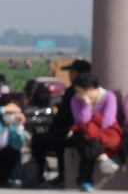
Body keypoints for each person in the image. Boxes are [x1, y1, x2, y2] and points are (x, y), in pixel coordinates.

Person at [26, 57, 88, 187]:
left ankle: (39, 177)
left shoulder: (74, 91)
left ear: (77, 73)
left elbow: (65, 117)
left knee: (39, 140)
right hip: (74, 133)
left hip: (72, 135)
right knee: (59, 136)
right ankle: (61, 176)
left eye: (72, 72)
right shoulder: (85, 90)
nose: (70, 75)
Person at [65, 71, 121, 190]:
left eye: (80, 91)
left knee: (89, 141)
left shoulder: (109, 97)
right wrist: (86, 104)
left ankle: (85, 181)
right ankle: (103, 159)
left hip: (104, 133)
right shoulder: (75, 100)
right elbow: (81, 120)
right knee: (85, 138)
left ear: (90, 88)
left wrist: (93, 131)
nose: (77, 94)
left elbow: (108, 121)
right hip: (85, 132)